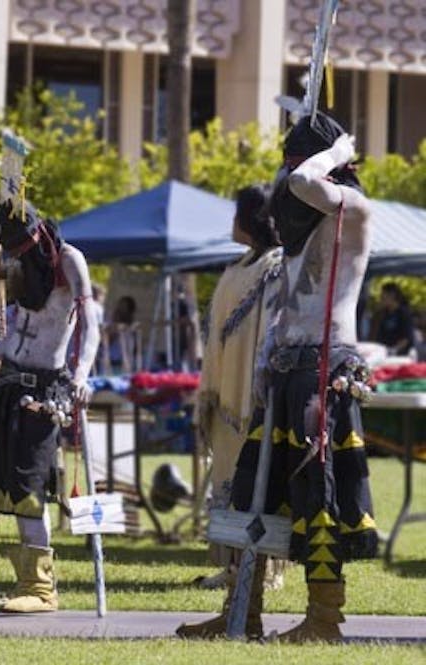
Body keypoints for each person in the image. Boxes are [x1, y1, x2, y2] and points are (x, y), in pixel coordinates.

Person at [184, 113, 379, 642]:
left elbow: (299, 183)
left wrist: (334, 150)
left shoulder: (352, 209)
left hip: (325, 367)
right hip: (285, 369)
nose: (286, 180)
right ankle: (241, 609)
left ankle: (323, 619)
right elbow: (286, 306)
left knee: (319, 492)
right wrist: (268, 358)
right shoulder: (297, 238)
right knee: (255, 491)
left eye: (297, 162)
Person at [0, 200, 100, 613]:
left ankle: (40, 588)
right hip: (9, 384)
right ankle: (28, 582)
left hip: (44, 389)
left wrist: (81, 376)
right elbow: (15, 334)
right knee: (10, 485)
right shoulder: (22, 264)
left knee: (30, 485)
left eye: (17, 247)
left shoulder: (69, 261)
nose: (14, 256)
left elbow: (90, 326)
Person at [181, 185, 285, 606]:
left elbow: (273, 330)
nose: (231, 222)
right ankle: (232, 565)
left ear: (252, 218)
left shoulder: (276, 268)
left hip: (257, 399)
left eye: (236, 213)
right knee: (228, 481)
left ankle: (264, 569)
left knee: (259, 483)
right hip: (226, 400)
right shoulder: (239, 266)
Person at [372, 282, 415, 356]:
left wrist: (393, 350)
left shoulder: (403, 314)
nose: (381, 299)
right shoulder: (383, 313)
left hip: (400, 355)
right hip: (383, 351)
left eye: (383, 297)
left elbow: (407, 338)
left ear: (392, 296)